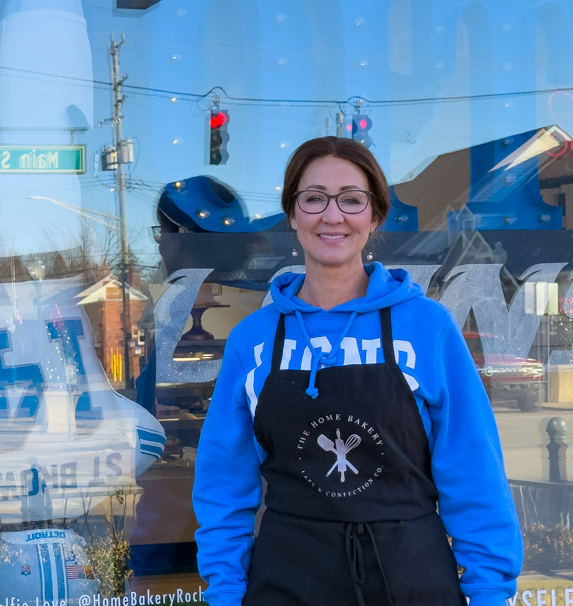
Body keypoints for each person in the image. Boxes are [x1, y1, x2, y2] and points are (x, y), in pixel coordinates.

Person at [192, 136, 521, 606]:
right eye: (313, 198)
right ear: (293, 213)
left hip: (412, 577)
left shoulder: (427, 327)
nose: (332, 216)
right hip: (288, 578)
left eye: (352, 199)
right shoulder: (254, 339)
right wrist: (224, 590)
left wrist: (489, 590)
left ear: (375, 216)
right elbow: (224, 481)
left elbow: (472, 468)